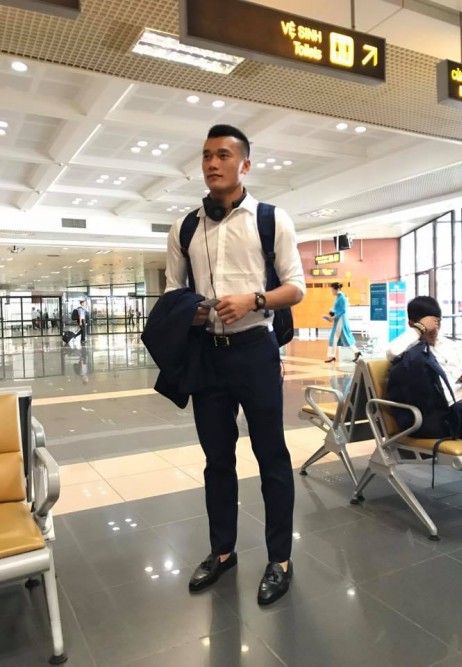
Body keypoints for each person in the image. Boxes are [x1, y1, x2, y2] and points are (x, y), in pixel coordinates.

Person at [165, 124, 305, 605]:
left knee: (272, 457)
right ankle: (222, 551)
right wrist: (190, 310)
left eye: (223, 155)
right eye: (206, 155)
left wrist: (255, 299)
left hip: (255, 351)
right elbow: (173, 291)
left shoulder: (270, 220)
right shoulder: (186, 227)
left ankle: (280, 559)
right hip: (207, 355)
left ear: (245, 164)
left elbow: (296, 287)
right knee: (217, 459)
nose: (212, 163)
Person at [387, 295, 462, 532]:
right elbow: (390, 351)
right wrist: (419, 330)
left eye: (437, 323)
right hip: (458, 411)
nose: (434, 329)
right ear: (414, 324)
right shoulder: (411, 351)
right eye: (429, 324)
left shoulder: (450, 344)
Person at [324, 282, 361, 363]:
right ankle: (356, 352)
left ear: (337, 289)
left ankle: (332, 356)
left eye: (332, 290)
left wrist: (334, 317)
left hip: (340, 320)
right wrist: (331, 313)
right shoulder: (339, 297)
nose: (332, 292)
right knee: (344, 338)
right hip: (338, 319)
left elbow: (343, 310)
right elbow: (336, 308)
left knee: (333, 338)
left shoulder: (342, 298)